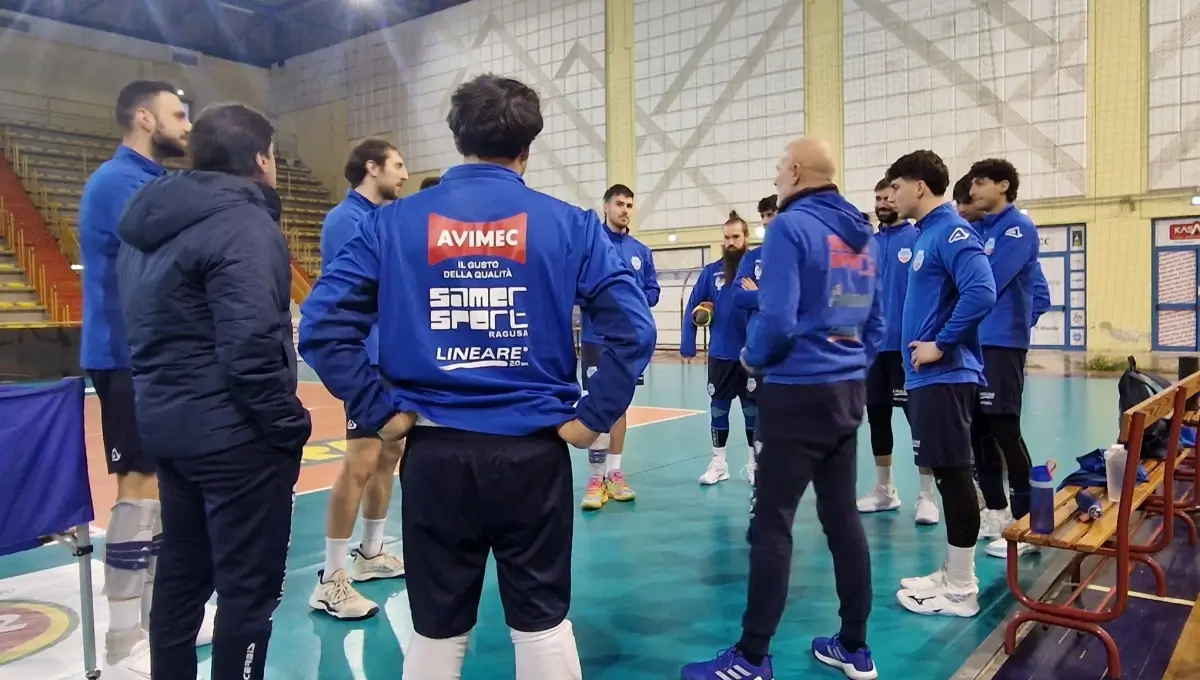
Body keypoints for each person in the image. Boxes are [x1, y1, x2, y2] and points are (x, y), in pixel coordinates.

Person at [298, 73, 656, 680]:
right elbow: (635, 329)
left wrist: (378, 411)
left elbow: (322, 325)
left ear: (458, 138)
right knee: (542, 625)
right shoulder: (570, 225)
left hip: (436, 454)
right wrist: (594, 416)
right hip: (533, 454)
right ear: (528, 148)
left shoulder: (390, 224)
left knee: (436, 630)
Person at [115, 103, 311, 679]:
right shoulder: (243, 225)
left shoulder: (146, 226)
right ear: (261, 158)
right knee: (248, 593)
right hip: (236, 437)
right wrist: (287, 426)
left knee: (182, 575)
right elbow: (251, 346)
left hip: (170, 427)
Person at [682, 137, 881, 680]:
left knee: (771, 526)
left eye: (777, 170)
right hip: (846, 394)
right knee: (842, 520)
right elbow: (876, 321)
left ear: (795, 171)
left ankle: (750, 658)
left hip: (795, 394)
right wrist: (849, 367)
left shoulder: (791, 228)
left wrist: (752, 358)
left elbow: (776, 318)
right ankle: (854, 645)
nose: (775, 179)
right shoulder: (863, 234)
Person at [76, 79, 215, 672]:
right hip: (124, 354)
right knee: (136, 486)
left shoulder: (152, 181)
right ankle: (122, 632)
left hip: (156, 355)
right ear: (143, 118)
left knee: (159, 486)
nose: (188, 126)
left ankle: (160, 618)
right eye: (178, 115)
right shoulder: (118, 183)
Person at [885, 150, 996, 618]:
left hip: (945, 375)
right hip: (928, 379)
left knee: (953, 475)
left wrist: (941, 344)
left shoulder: (951, 231)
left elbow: (982, 291)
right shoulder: (926, 233)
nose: (891, 195)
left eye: (896, 186)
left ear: (919, 187)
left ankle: (960, 590)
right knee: (948, 474)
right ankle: (952, 571)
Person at [310, 138, 410, 621]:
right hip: (364, 359)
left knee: (390, 453)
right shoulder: (345, 220)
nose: (405, 174)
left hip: (390, 356)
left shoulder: (383, 218)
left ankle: (370, 553)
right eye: (398, 165)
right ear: (372, 168)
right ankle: (330, 578)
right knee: (360, 460)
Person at [965, 158, 1046, 560]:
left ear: (1003, 185)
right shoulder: (978, 230)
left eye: (980, 182)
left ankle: (1028, 520)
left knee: (1004, 428)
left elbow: (985, 283)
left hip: (1000, 345)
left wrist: (1014, 328)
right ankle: (996, 512)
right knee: (977, 430)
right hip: (972, 343)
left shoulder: (1018, 229)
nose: (973, 190)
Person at [579, 183, 660, 510]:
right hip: (596, 339)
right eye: (619, 204)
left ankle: (614, 473)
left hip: (627, 342)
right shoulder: (591, 246)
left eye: (629, 205)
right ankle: (595, 478)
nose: (625, 210)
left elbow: (653, 291)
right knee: (596, 402)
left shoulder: (640, 251)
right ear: (606, 207)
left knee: (620, 406)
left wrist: (634, 297)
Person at [856, 178, 923, 519]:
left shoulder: (917, 237)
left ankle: (927, 495)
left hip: (907, 347)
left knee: (918, 420)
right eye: (877, 198)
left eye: (887, 197)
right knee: (877, 418)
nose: (882, 203)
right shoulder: (866, 244)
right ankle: (885, 490)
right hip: (872, 348)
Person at [680, 211, 756, 485]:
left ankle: (755, 464)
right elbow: (693, 304)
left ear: (746, 237)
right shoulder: (711, 272)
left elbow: (776, 302)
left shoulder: (760, 269)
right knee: (718, 409)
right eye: (727, 238)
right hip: (721, 355)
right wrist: (687, 344)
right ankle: (719, 463)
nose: (731, 242)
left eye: (736, 237)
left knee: (752, 412)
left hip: (752, 354)